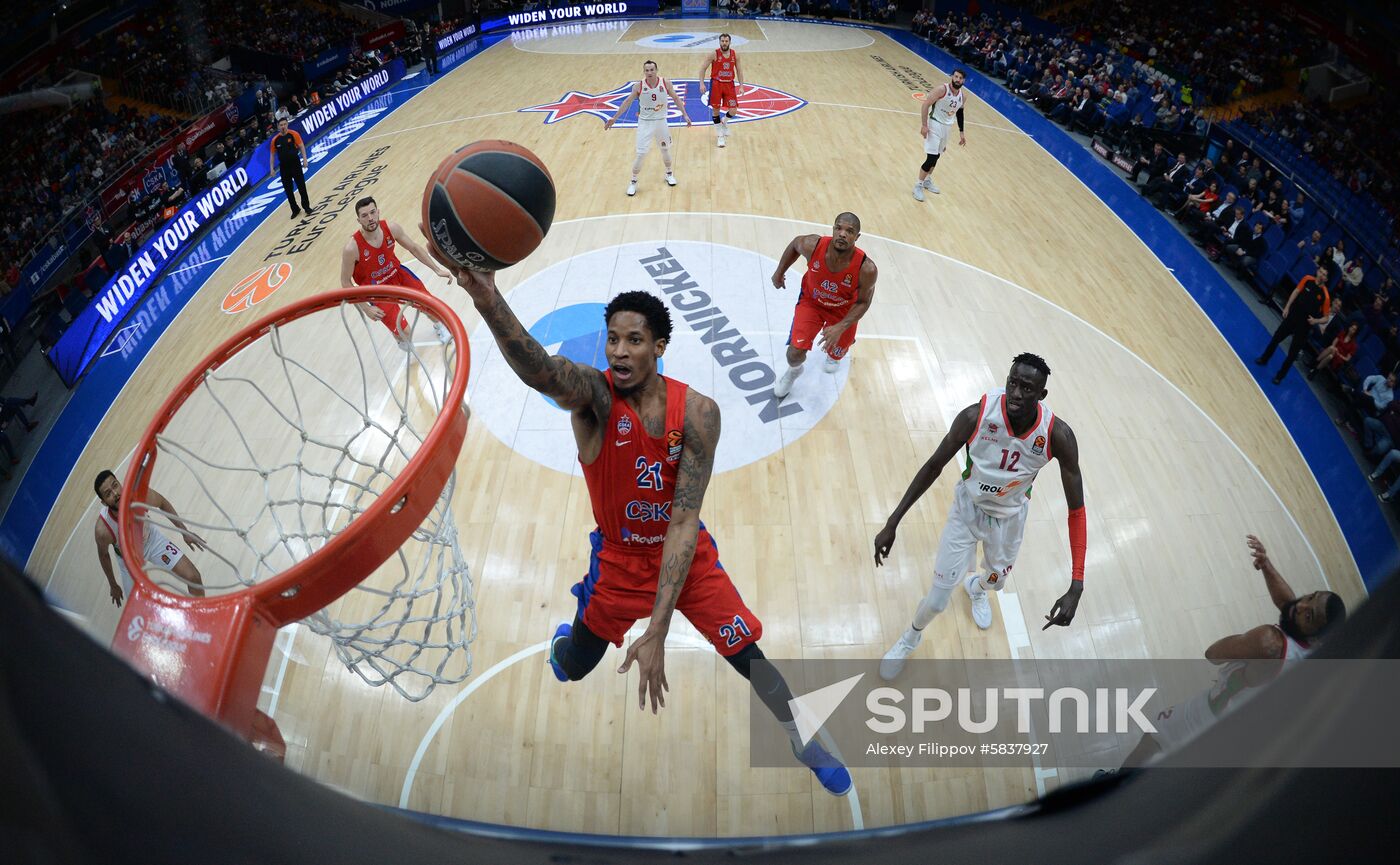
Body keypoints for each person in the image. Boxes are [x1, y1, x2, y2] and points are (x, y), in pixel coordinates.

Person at [420, 231, 854, 795]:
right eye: (613, 340)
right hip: (620, 564)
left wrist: (659, 626)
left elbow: (681, 521)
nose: (619, 351)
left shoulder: (699, 414)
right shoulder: (596, 400)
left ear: (660, 346)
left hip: (683, 557)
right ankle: (565, 639)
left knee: (753, 659)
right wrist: (486, 298)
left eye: (634, 340)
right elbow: (542, 373)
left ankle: (805, 738)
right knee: (572, 668)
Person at [876, 353, 1087, 679]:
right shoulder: (976, 416)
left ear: (1041, 395)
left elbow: (1076, 511)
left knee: (996, 583)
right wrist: (893, 522)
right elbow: (933, 466)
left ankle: (975, 588)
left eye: (1027, 388)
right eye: (1012, 382)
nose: (1016, 393)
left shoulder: (1058, 436)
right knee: (936, 601)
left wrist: (1076, 583)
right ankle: (910, 637)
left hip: (1009, 520)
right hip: (967, 510)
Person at [1122, 535, 1345, 767]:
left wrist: (1245, 645)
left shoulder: (1269, 643)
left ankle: (1112, 790)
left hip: (1212, 718)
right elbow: (1289, 605)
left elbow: (1213, 655)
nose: (1301, 605)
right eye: (1310, 597)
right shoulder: (1314, 646)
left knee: (1154, 738)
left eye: (1309, 615)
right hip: (1246, 735)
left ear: (1316, 634)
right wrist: (1267, 566)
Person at [769, 212, 878, 397]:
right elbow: (795, 244)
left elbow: (863, 302)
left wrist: (841, 327)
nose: (843, 234)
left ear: (857, 237)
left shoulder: (866, 268)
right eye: (839, 228)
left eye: (849, 231)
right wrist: (779, 271)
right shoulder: (813, 245)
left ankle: (837, 351)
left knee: (835, 355)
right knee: (793, 354)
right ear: (833, 229)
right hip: (812, 303)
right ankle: (794, 372)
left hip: (843, 311)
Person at [340, 197, 451, 346]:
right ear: (358, 220)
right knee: (404, 332)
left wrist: (437, 269)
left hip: (396, 274)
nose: (370, 218)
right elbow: (345, 282)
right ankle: (402, 342)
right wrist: (365, 307)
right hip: (377, 290)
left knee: (428, 305)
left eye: (373, 212)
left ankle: (439, 326)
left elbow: (414, 248)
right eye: (365, 215)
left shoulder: (391, 228)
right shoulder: (351, 248)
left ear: (378, 212)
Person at [93, 469, 206, 606]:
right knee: (138, 608)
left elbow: (162, 502)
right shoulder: (103, 529)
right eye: (108, 494)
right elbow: (104, 555)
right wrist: (113, 584)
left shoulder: (139, 495)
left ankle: (199, 615)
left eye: (115, 485)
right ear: (104, 502)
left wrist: (184, 532)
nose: (115, 493)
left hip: (152, 541)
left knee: (193, 577)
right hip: (129, 560)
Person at [604, 60, 691, 197]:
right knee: (641, 154)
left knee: (665, 149)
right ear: (644, 72)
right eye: (647, 70)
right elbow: (627, 102)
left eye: (652, 70)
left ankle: (669, 174)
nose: (649, 72)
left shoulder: (665, 83)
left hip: (661, 122)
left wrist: (685, 115)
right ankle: (633, 182)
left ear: (656, 70)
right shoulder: (638, 86)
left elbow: (676, 98)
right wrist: (614, 118)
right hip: (645, 123)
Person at [1255, 265, 1331, 384]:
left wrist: (1315, 321)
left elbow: (1326, 318)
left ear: (1326, 279)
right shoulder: (1307, 279)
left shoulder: (1325, 296)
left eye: (1324, 274)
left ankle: (1279, 377)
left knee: (1292, 354)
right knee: (1276, 338)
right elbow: (1296, 291)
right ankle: (1264, 359)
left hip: (1305, 326)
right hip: (1293, 317)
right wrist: (1287, 307)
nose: (1321, 275)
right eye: (1320, 272)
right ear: (1317, 271)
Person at [914, 68, 967, 202]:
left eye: (960, 78)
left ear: (963, 81)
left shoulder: (963, 96)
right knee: (931, 157)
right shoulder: (941, 90)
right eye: (956, 76)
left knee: (937, 156)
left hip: (947, 127)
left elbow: (960, 114)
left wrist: (961, 132)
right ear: (952, 77)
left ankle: (927, 180)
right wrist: (924, 125)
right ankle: (918, 185)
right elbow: (925, 104)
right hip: (934, 124)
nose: (957, 79)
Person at [698, 34, 743, 148]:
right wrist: (701, 83)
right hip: (716, 84)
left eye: (726, 41)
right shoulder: (714, 54)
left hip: (729, 84)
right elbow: (703, 68)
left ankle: (724, 121)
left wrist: (741, 85)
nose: (724, 43)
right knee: (716, 110)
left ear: (730, 42)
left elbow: (739, 71)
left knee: (733, 110)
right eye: (722, 41)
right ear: (719, 42)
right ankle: (720, 136)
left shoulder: (735, 54)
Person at [269, 118, 314, 219]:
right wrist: (271, 168)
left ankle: (306, 207)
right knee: (288, 190)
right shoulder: (275, 140)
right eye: (281, 125)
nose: (283, 126)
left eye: (284, 124)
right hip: (284, 167)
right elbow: (272, 154)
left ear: (287, 124)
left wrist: (305, 159)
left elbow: (301, 146)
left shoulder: (294, 134)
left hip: (295, 164)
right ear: (278, 126)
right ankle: (295, 209)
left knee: (301, 186)